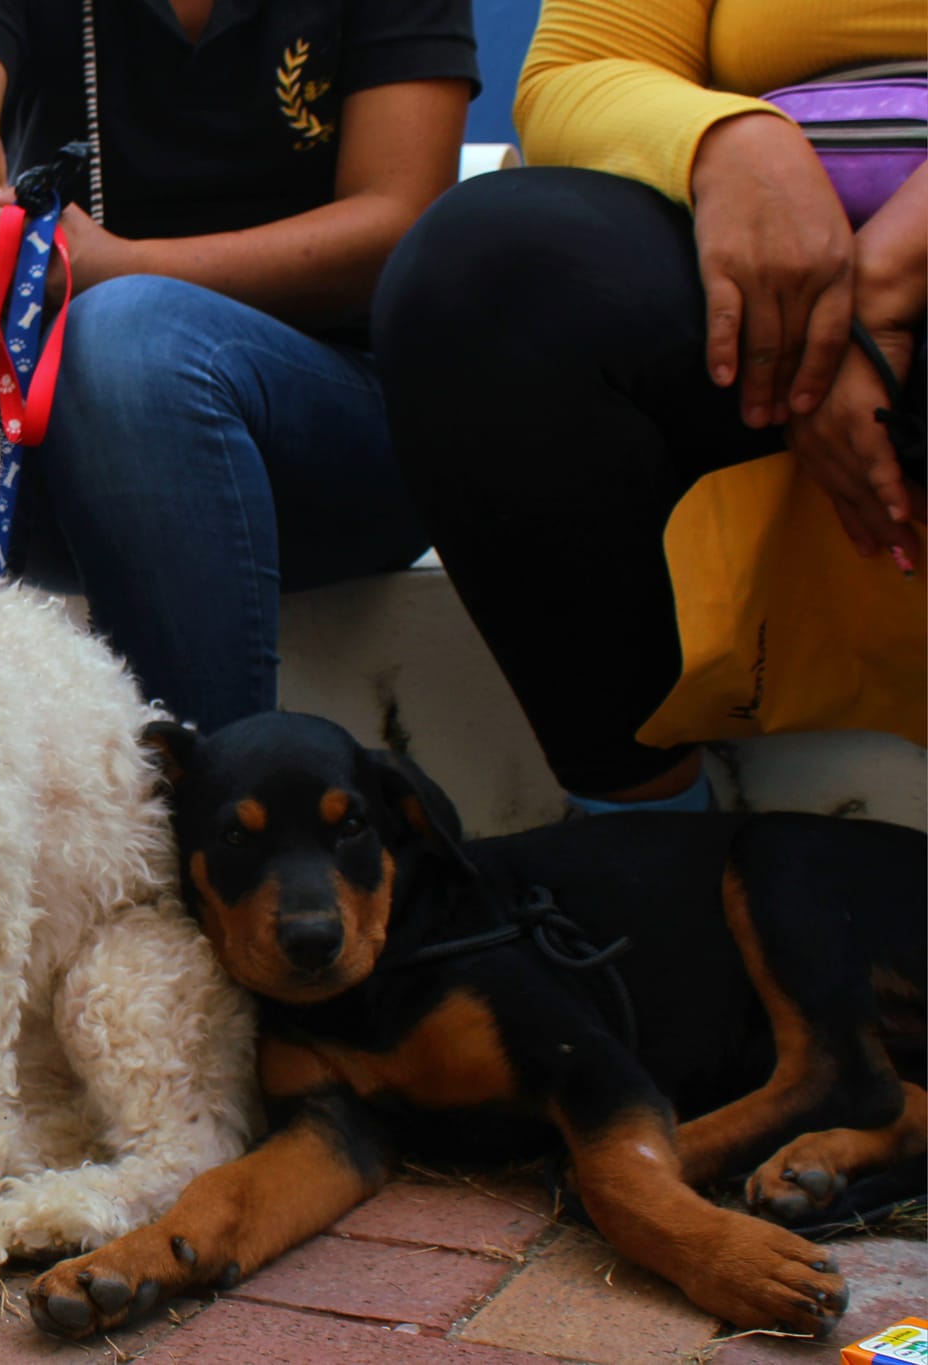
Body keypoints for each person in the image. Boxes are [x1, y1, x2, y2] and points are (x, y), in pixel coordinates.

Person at [0, 0, 479, 1109]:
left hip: (342, 428)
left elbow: (401, 219)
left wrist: (126, 266)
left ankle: (212, 935)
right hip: (75, 433)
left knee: (130, 339)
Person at [375, 0, 925, 817]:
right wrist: (731, 142)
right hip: (758, 275)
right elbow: (574, 74)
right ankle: (646, 847)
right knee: (485, 276)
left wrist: (881, 287)